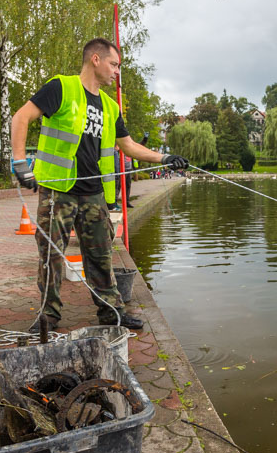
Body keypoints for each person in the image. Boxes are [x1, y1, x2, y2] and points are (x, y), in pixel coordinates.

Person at [10, 37, 188, 332]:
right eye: (114, 64)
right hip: (59, 190)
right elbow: (20, 117)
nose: (117, 71)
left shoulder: (110, 106)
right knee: (51, 255)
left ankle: (111, 313)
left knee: (101, 255)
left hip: (93, 195)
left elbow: (129, 147)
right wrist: (19, 164)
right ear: (96, 59)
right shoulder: (61, 88)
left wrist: (165, 157)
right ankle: (48, 316)